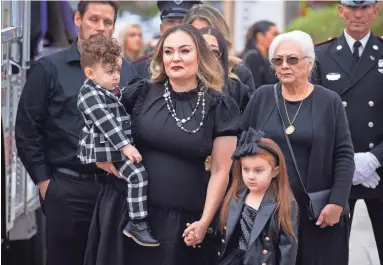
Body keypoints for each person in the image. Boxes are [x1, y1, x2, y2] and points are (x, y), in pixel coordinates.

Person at [84, 24, 241, 265]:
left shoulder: (220, 106)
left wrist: (205, 222)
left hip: (182, 223)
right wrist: (100, 155)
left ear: (200, 55)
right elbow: (97, 119)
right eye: (168, 52)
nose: (175, 58)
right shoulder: (141, 92)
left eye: (185, 51)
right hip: (126, 215)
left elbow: (221, 171)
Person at [15, 1, 137, 265]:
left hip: (115, 190)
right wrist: (45, 183)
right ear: (78, 19)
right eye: (94, 19)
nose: (100, 28)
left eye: (107, 22)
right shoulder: (49, 68)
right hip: (68, 190)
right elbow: (26, 130)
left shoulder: (126, 71)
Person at [242, 30, 355, 265]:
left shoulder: (329, 101)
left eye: (292, 59)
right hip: (270, 210)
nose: (284, 65)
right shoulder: (262, 97)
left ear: (309, 63)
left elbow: (343, 154)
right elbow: (242, 148)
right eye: (278, 60)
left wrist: (337, 201)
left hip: (316, 210)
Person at [313, 0, 383, 263]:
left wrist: (374, 158)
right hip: (338, 172)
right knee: (331, 253)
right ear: (341, 10)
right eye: (352, 8)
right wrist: (347, 162)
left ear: (375, 11)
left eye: (364, 7)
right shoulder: (321, 55)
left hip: (380, 169)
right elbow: (316, 117)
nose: (357, 14)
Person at [77, 34, 159, 247]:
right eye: (110, 72)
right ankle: (137, 223)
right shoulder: (89, 94)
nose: (116, 77)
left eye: (118, 71)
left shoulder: (106, 89)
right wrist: (126, 146)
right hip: (107, 150)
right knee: (138, 176)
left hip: (114, 148)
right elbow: (107, 123)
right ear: (90, 72)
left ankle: (136, 220)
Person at [217, 128, 298, 265]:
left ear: (275, 171)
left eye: (258, 170)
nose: (251, 176)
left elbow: (287, 250)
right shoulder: (236, 196)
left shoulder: (284, 203)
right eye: (246, 169)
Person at [183, 4, 256, 92]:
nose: (203, 38)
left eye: (208, 32)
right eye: (196, 33)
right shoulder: (177, 71)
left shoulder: (240, 74)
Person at [132, 0, 202, 79]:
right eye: (170, 21)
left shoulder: (203, 65)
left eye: (183, 21)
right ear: (161, 29)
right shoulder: (138, 68)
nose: (177, 27)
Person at [200, 27, 251, 113]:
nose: (207, 56)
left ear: (222, 56)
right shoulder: (181, 85)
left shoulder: (236, 88)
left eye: (214, 51)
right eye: (202, 50)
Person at [241, 20, 279, 89]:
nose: (278, 37)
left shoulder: (269, 57)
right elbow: (253, 88)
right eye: (274, 34)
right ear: (260, 36)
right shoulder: (252, 57)